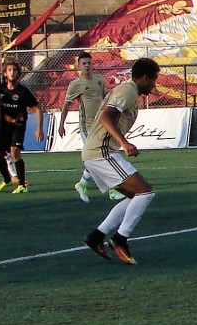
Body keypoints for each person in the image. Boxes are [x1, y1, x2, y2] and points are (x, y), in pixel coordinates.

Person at [81, 57, 160, 265]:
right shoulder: (128, 91)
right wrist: (124, 143)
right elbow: (105, 117)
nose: (154, 85)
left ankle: (97, 236)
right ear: (144, 78)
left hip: (98, 152)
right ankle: (120, 238)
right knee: (146, 192)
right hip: (101, 152)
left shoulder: (128, 91)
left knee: (135, 195)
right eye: (153, 80)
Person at [58, 52, 117, 202]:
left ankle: (82, 184)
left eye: (89, 63)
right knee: (99, 156)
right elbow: (66, 105)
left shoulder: (99, 80)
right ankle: (112, 189)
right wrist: (61, 124)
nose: (87, 66)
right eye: (84, 63)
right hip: (87, 127)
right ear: (79, 66)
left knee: (99, 156)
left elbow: (105, 99)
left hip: (101, 124)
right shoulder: (75, 85)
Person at [0, 61, 43, 194]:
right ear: (5, 73)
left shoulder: (23, 91)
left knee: (14, 152)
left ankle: (22, 185)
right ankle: (7, 179)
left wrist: (39, 128)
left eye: (15, 70)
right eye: (9, 70)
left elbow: (37, 108)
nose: (12, 72)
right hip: (4, 127)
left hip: (18, 126)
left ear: (18, 73)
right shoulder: (1, 88)